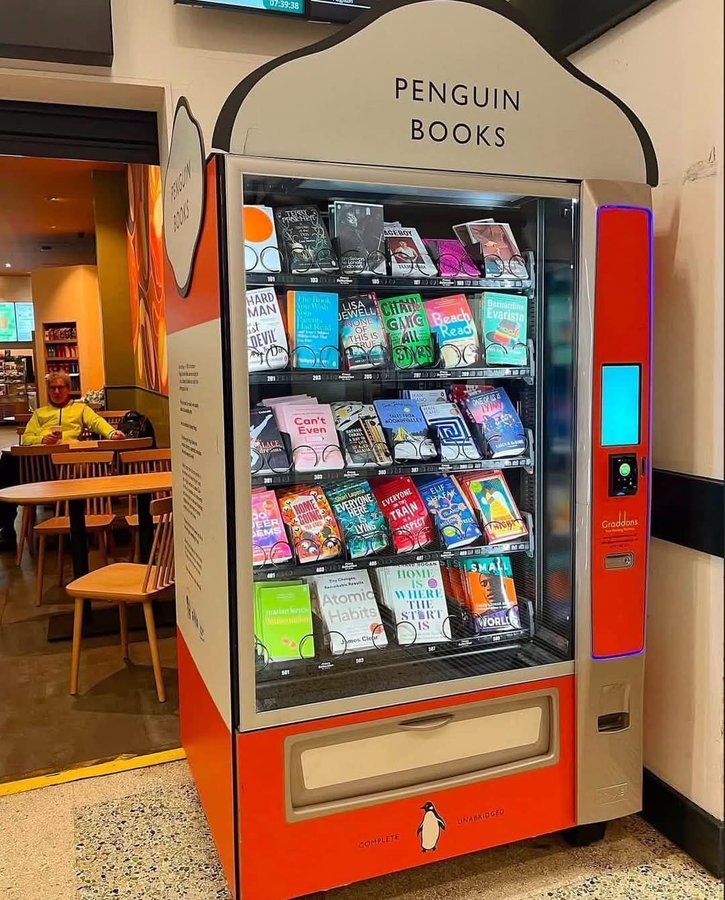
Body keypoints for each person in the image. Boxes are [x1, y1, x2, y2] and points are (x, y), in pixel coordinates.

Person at [0, 374, 125, 550]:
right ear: (48, 390)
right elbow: (27, 437)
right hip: (40, 470)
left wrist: (112, 433)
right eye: (53, 388)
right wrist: (43, 439)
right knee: (7, 462)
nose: (57, 391)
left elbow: (97, 422)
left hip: (70, 466)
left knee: (90, 464)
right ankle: (6, 528)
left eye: (61, 387)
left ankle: (87, 521)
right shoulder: (39, 413)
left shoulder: (80, 409)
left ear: (68, 389)